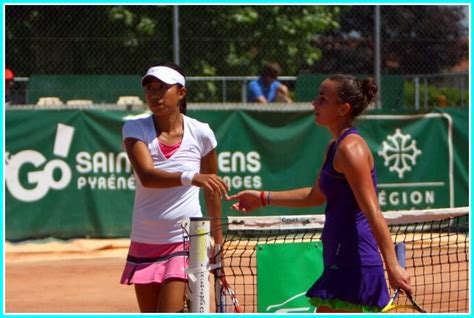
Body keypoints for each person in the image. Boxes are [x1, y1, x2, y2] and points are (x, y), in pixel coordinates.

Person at [227, 74, 412, 313]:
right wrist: (262, 198)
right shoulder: (334, 147)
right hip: (338, 258)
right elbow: (315, 196)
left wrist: (393, 266)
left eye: (322, 99)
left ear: (343, 108)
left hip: (355, 261)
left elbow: (372, 210)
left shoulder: (351, 149)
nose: (314, 103)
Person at [120, 62, 228, 313]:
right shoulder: (134, 128)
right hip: (145, 240)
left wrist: (219, 246)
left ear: (181, 92)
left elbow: (212, 191)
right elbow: (147, 176)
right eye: (150, 89)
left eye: (162, 88)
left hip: (184, 239)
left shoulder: (201, 133)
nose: (155, 95)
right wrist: (192, 177)